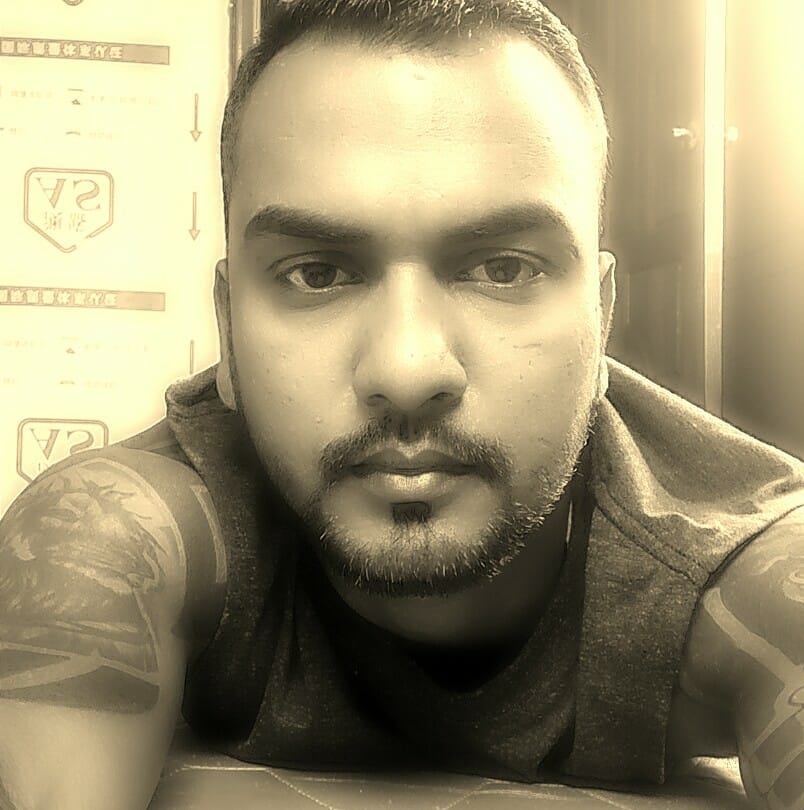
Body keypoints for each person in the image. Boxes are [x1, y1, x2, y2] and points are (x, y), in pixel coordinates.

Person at [1, 1, 803, 808]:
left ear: (601, 325)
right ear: (228, 335)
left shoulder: (754, 583)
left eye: (503, 269)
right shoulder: (113, 538)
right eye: (318, 274)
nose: (409, 367)